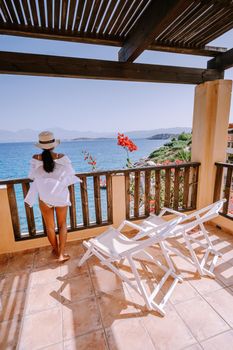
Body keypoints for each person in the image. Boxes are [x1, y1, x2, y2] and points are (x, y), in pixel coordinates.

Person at [25, 131, 81, 262]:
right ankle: (61, 254)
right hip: (60, 195)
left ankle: (56, 250)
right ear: (54, 145)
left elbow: (31, 176)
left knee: (50, 227)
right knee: (62, 225)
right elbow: (71, 173)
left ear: (40, 145)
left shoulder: (35, 158)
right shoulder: (62, 157)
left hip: (44, 197)